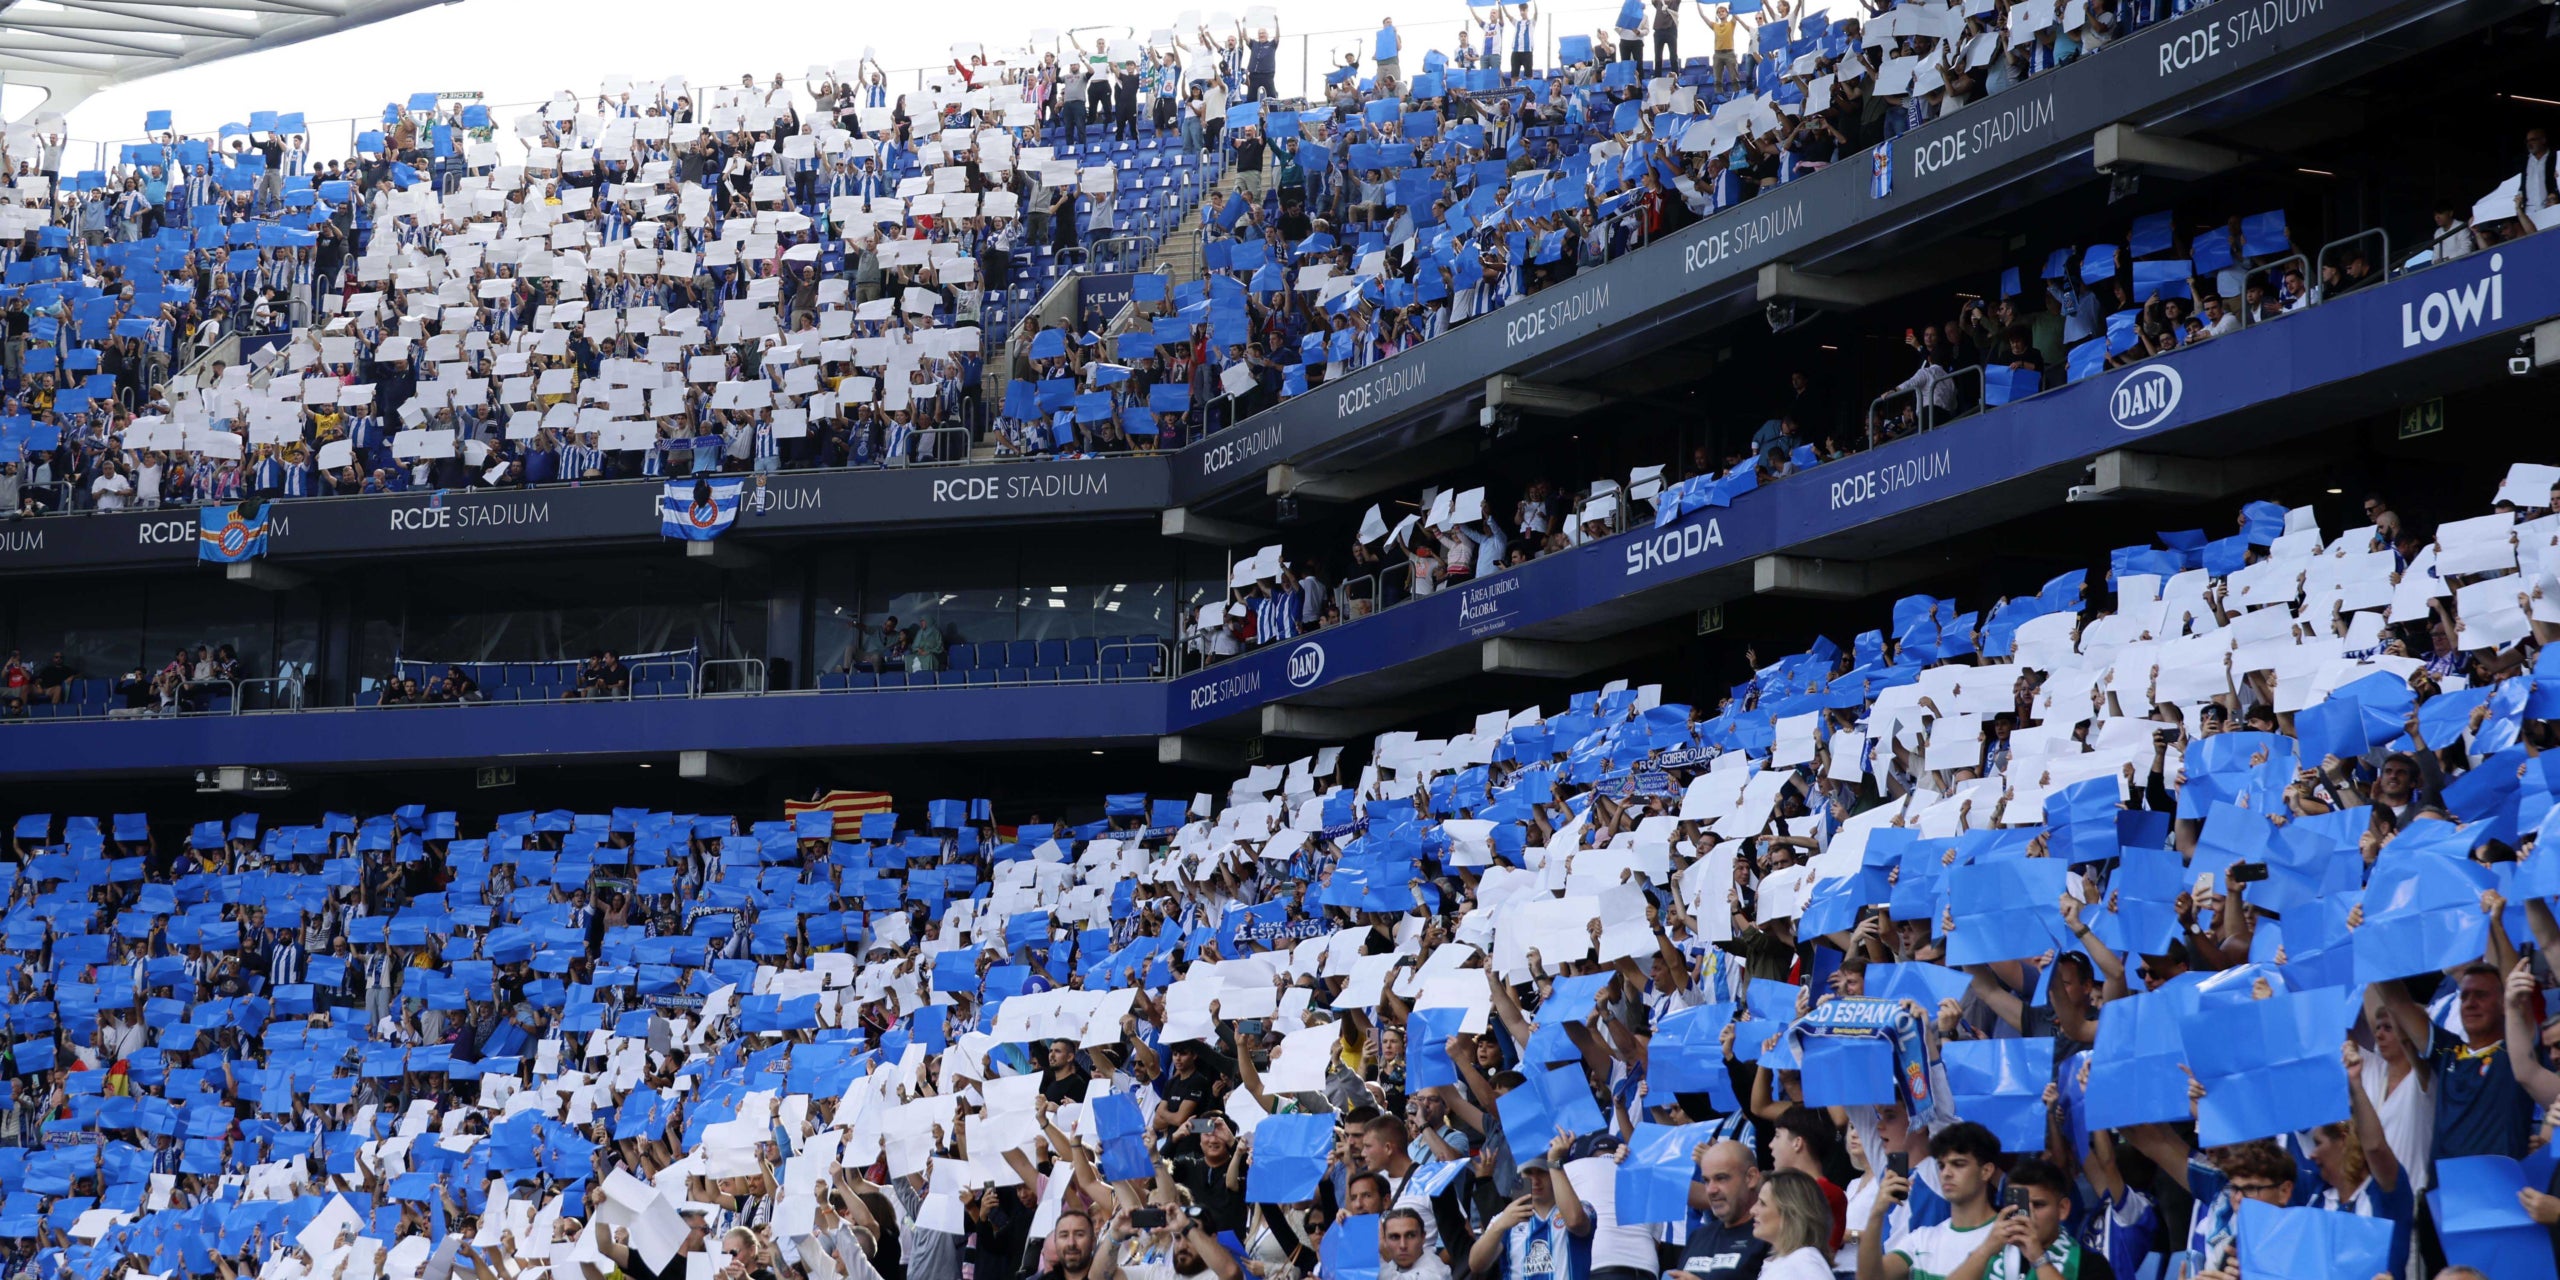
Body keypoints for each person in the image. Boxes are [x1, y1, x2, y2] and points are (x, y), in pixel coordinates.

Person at [1859, 1121, 2003, 1280]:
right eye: (1941, 1166)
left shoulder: (2010, 1236)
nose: (1946, 1173)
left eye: (1958, 1164)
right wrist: (1876, 1214)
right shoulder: (1921, 1240)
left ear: (1986, 1171)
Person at [1670, 1139, 1767, 1280]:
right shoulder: (1698, 1236)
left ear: (1750, 1178)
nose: (1711, 1190)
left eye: (1721, 1178)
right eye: (1706, 1180)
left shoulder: (1770, 1235)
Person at [1748, 1170, 1836, 1280]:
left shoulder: (1804, 1261)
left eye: (1762, 1203)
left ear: (1790, 1214)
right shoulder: (1791, 1261)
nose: (1752, 1210)